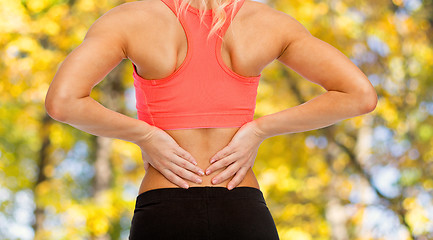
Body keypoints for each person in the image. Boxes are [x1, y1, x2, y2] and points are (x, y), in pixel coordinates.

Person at [44, 0, 378, 238]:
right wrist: (259, 129)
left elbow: (63, 102)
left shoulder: (131, 18)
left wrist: (147, 136)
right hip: (243, 207)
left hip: (165, 208)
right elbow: (360, 95)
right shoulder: (267, 22)